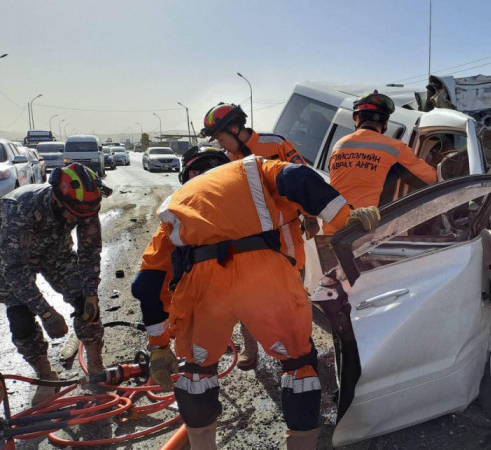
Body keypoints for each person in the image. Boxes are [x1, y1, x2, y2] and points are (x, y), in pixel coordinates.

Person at [131, 148, 379, 450]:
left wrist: (158, 348)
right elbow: (298, 177)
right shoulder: (252, 169)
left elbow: (146, 283)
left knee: (195, 372)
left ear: (188, 176)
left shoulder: (174, 204)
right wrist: (345, 218)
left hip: (202, 280)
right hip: (263, 272)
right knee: (299, 364)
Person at [200, 102, 308, 370]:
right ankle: (251, 349)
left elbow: (302, 178)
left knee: (292, 294)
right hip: (250, 239)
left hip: (286, 233)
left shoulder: (276, 144)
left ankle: (299, 351)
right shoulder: (226, 162)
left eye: (222, 138)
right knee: (245, 294)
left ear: (236, 128)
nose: (222, 145)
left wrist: (312, 216)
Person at [0, 163, 109, 394]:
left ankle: (95, 364)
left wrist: (90, 294)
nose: (78, 218)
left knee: (83, 300)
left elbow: (89, 251)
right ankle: (45, 374)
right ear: (57, 199)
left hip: (55, 252)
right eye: (73, 213)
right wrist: (47, 313)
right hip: (10, 262)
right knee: (21, 317)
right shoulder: (19, 209)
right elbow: (14, 270)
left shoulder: (86, 204)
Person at [326, 91, 437, 233]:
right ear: (385, 124)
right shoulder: (394, 149)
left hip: (333, 229)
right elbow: (430, 179)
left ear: (356, 117)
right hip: (365, 232)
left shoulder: (339, 145)